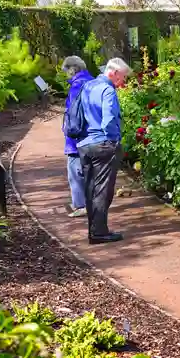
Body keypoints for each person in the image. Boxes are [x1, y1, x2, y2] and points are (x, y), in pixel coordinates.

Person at [77, 58, 132, 244]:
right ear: (114, 73)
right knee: (102, 190)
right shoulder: (108, 90)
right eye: (123, 77)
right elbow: (109, 119)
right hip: (103, 145)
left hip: (85, 145)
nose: (123, 81)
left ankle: (93, 230)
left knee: (90, 189)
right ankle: (99, 232)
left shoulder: (88, 86)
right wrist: (113, 140)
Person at [62, 56, 94, 219]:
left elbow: (73, 113)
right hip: (92, 135)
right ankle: (92, 203)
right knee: (90, 172)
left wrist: (68, 130)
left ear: (72, 69)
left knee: (75, 171)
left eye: (66, 71)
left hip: (77, 136)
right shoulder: (92, 82)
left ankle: (80, 205)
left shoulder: (77, 85)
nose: (66, 74)